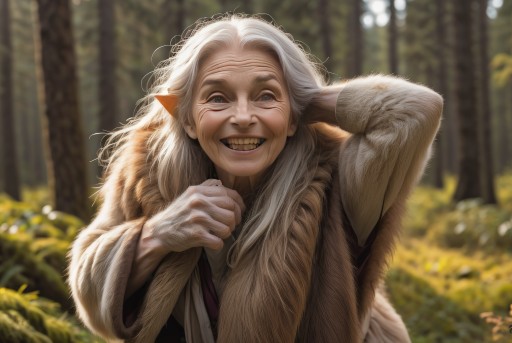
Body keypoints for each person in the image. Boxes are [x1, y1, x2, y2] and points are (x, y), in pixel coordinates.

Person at [68, 14, 442, 343]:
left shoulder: (340, 177)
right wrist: (159, 234)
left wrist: (302, 102)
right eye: (217, 98)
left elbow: (416, 110)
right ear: (187, 119)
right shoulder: (149, 170)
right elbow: (89, 286)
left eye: (264, 96)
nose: (244, 116)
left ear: (295, 116)